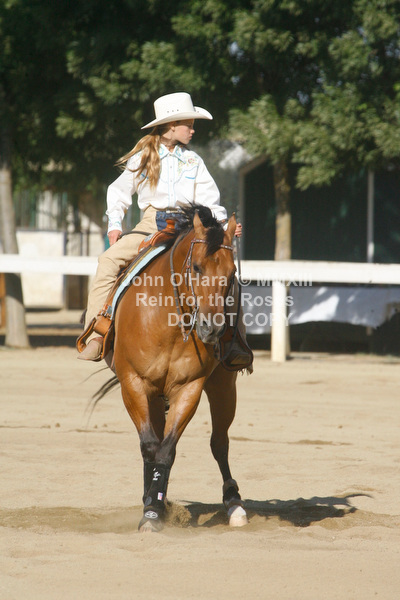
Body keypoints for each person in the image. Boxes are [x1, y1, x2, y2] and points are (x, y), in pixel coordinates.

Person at [77, 92, 247, 364]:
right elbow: (118, 191)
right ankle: (98, 332)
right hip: (150, 224)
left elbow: (210, 200)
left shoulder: (194, 161)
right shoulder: (143, 157)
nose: (192, 130)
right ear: (172, 125)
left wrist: (223, 226)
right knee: (108, 261)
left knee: (224, 271)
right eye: (188, 125)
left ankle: (235, 339)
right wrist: (115, 224)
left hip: (191, 227)